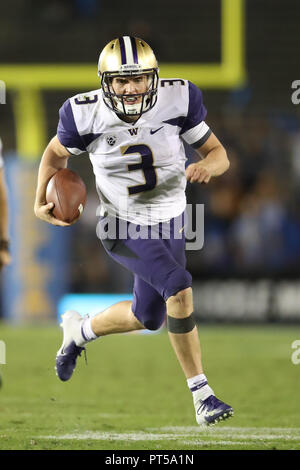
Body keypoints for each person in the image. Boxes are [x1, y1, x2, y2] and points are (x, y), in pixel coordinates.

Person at [34, 36, 233, 426]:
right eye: (120, 81)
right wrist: (40, 198)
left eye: (138, 79)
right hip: (120, 222)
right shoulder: (83, 113)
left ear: (153, 78)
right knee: (178, 286)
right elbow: (55, 153)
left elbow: (219, 153)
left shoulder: (179, 98)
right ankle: (202, 396)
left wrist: (210, 166)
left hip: (173, 219)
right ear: (105, 82)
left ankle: (79, 331)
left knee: (149, 317)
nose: (129, 88)